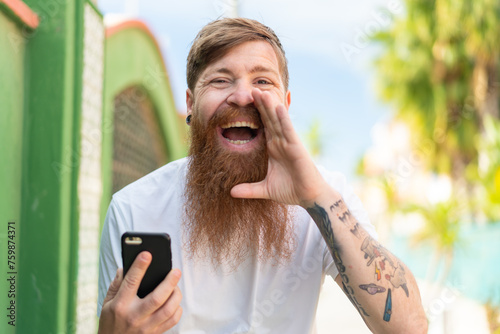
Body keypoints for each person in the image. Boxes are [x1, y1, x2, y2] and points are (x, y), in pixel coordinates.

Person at [97, 18, 427, 333]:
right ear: (191, 104)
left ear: (284, 103)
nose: (242, 96)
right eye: (220, 80)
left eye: (262, 81)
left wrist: (315, 197)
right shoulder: (133, 208)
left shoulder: (325, 195)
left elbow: (409, 328)